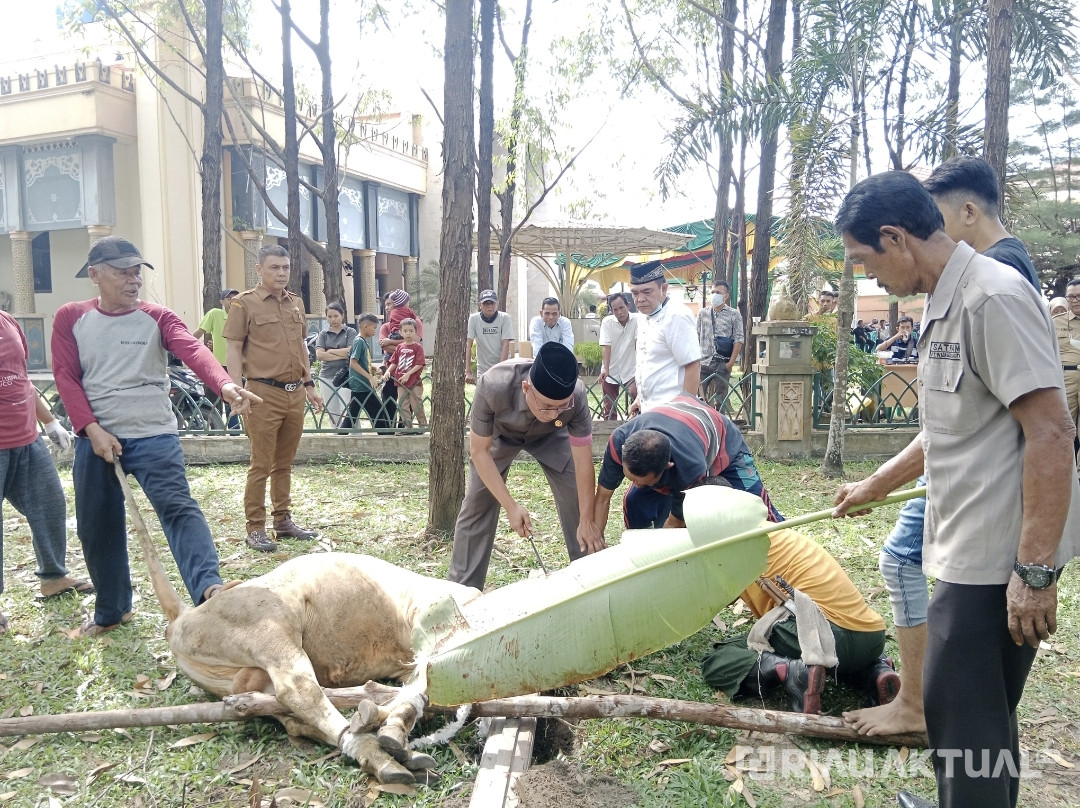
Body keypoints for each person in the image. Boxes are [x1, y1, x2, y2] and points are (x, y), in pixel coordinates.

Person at [832, 171, 1080, 808]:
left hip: (1000, 559)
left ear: (895, 237)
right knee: (978, 719)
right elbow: (947, 428)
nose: (869, 277)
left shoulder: (991, 297)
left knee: (957, 715)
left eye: (865, 260)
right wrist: (873, 484)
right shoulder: (945, 300)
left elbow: (1051, 432)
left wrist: (1034, 569)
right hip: (967, 545)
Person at [51, 236, 261, 635]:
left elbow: (193, 351)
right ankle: (113, 610)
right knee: (97, 525)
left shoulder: (158, 316)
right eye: (121, 273)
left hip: (153, 436)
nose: (133, 281)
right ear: (94, 275)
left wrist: (225, 385)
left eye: (136, 272)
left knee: (178, 509)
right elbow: (66, 377)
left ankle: (209, 591)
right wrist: (92, 430)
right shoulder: (70, 318)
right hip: (95, 438)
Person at [447, 342, 602, 590]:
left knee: (577, 497)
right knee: (478, 500)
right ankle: (462, 589)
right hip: (500, 435)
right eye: (547, 406)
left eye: (562, 406)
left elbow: (583, 462)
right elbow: (479, 452)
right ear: (526, 388)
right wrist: (511, 506)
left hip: (553, 437)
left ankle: (590, 579)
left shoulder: (577, 397)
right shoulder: (492, 385)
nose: (554, 413)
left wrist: (586, 518)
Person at [702, 526, 896, 715]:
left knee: (718, 659)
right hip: (872, 637)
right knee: (839, 653)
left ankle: (791, 671)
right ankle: (875, 671)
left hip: (825, 637)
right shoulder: (778, 532)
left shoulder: (725, 548)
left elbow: (705, 602)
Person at [223, 245, 324, 553]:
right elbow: (233, 349)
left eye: (286, 267)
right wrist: (236, 388)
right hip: (261, 394)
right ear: (259, 270)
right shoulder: (244, 304)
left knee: (284, 463)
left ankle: (282, 520)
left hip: (295, 393)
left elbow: (302, 347)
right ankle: (255, 527)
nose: (281, 273)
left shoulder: (296, 303)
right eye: (274, 268)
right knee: (261, 464)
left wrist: (309, 385)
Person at [0, 312, 93, 634]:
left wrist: (49, 421)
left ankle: (53, 577)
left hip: (26, 439)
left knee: (50, 506)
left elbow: (20, 378)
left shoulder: (7, 322)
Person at [593, 393, 782, 533]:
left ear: (667, 466)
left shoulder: (689, 468)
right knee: (634, 500)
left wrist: (658, 560)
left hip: (725, 445)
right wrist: (596, 545)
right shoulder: (619, 441)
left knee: (760, 514)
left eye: (645, 482)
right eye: (631, 479)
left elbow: (675, 524)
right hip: (681, 420)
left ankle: (785, 543)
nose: (636, 484)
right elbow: (602, 497)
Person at [628, 260, 701, 413]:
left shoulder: (676, 316)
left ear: (664, 288)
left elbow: (693, 365)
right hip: (650, 410)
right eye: (635, 293)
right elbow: (652, 364)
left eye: (647, 292)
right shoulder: (644, 316)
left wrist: (684, 412)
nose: (640, 299)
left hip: (672, 412)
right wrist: (641, 398)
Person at [192, 287, 242, 430]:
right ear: (222, 301)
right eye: (229, 299)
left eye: (235, 298)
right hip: (217, 365)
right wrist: (186, 346)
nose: (233, 301)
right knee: (213, 400)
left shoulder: (242, 315)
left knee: (234, 399)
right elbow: (199, 332)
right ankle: (216, 429)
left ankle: (235, 431)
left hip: (238, 365)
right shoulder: (215, 314)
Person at [696, 279, 744, 409]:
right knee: (697, 397)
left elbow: (739, 339)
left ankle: (720, 425)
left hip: (722, 362)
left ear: (725, 296)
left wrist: (730, 364)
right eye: (712, 292)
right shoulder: (703, 313)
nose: (714, 295)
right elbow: (696, 336)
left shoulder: (734, 314)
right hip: (704, 361)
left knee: (720, 399)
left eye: (718, 292)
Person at [341, 314, 392, 431]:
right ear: (365, 326)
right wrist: (370, 377)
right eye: (374, 328)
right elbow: (353, 363)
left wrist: (374, 368)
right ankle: (385, 437)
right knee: (378, 413)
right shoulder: (359, 342)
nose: (375, 331)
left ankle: (340, 436)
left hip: (362, 385)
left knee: (352, 415)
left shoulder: (363, 342)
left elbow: (362, 362)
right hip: (361, 385)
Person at [314, 302, 357, 428]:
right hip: (327, 376)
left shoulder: (350, 332)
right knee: (333, 412)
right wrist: (342, 354)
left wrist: (330, 351)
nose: (333, 319)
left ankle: (354, 437)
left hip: (346, 376)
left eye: (336, 316)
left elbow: (351, 351)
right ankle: (336, 438)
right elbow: (320, 355)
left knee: (348, 409)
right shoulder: (323, 334)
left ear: (342, 315)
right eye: (330, 316)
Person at [1054, 278, 1080, 473]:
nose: (1075, 301)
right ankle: (1065, 474)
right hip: (1066, 379)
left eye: (1079, 296)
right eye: (1070, 297)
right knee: (1064, 428)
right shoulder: (1056, 322)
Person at [598, 292, 638, 419]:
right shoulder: (607, 322)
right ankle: (610, 434)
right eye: (615, 309)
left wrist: (642, 368)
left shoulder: (638, 320)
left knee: (635, 395)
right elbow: (606, 346)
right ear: (611, 310)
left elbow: (639, 344)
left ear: (628, 305)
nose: (619, 312)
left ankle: (635, 426)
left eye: (622, 307)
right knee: (609, 406)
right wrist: (606, 368)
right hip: (611, 368)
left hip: (631, 368)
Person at [382, 318, 427, 429]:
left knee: (417, 404)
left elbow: (420, 364)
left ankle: (423, 426)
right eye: (405, 331)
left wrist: (408, 374)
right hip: (400, 382)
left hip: (414, 382)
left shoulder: (418, 347)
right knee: (403, 405)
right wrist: (388, 371)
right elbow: (394, 362)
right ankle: (407, 426)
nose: (408, 333)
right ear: (400, 332)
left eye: (411, 331)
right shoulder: (400, 347)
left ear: (416, 332)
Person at [466, 289, 515, 383]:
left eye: (492, 303)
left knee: (502, 396)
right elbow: (469, 344)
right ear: (480, 305)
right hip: (483, 370)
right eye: (486, 303)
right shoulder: (474, 319)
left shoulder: (504, 318)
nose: (490, 306)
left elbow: (506, 344)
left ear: (497, 304)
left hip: (503, 368)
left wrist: (500, 370)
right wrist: (467, 372)